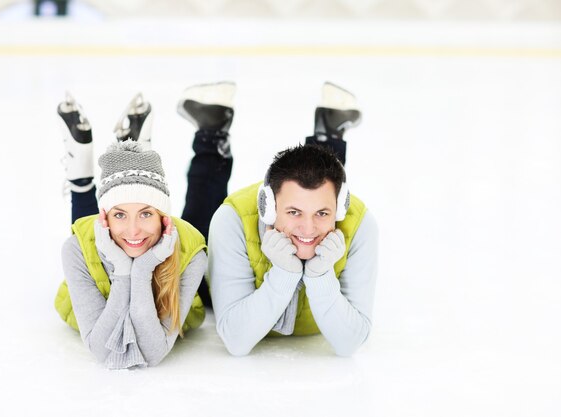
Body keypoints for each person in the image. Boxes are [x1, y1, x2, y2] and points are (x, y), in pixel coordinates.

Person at [207, 82, 378, 357]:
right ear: (269, 208)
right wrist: (284, 273)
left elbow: (350, 343)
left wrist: (321, 275)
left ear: (339, 210)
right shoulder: (232, 220)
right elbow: (236, 341)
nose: (308, 228)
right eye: (293, 212)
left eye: (323, 213)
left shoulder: (360, 225)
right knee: (202, 212)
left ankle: (329, 131)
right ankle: (211, 134)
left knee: (322, 175)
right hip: (223, 242)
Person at [53, 91, 217, 369]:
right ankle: (82, 172)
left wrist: (141, 270)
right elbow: (103, 352)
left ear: (163, 216)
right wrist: (122, 269)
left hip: (163, 251)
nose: (134, 230)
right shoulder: (77, 248)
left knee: (181, 226)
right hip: (92, 270)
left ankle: (128, 157)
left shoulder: (191, 254)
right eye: (119, 215)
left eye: (146, 213)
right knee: (86, 238)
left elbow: (154, 353)